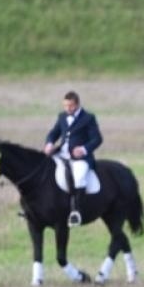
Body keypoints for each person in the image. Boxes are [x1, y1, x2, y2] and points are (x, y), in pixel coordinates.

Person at [43, 90, 103, 225]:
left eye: (70, 106)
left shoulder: (89, 118)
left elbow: (97, 139)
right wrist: (49, 143)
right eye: (65, 106)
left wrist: (83, 149)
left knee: (79, 176)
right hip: (61, 154)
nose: (67, 109)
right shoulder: (62, 117)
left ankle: (76, 211)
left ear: (77, 104)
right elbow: (54, 133)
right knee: (43, 169)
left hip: (80, 158)